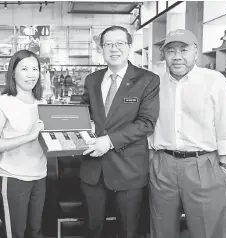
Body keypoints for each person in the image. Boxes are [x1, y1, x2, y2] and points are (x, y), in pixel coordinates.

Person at [148, 29, 226, 238]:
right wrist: (152, 158)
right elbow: (150, 122)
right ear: (165, 55)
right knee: (161, 228)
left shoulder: (214, 81)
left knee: (206, 229)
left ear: (195, 52)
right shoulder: (155, 83)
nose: (177, 56)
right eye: (171, 51)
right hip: (163, 165)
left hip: (204, 164)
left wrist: (225, 166)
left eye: (184, 49)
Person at [80, 25, 160, 238]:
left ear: (129, 46)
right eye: (108, 44)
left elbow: (146, 123)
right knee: (93, 229)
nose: (114, 49)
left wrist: (109, 140)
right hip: (93, 170)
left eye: (120, 43)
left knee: (128, 231)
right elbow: (83, 114)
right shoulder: (92, 79)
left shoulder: (148, 80)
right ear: (101, 48)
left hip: (128, 170)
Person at [0, 49, 47, 238]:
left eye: (35, 69)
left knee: (35, 231)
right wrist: (28, 136)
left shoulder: (41, 102)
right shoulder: (3, 103)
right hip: (12, 178)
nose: (31, 74)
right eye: (25, 68)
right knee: (15, 234)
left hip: (39, 176)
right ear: (13, 72)